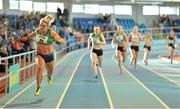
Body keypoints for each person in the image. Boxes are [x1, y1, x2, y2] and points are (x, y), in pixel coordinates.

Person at [21, 15, 66, 96]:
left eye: (43, 26)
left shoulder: (51, 33)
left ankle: (49, 77)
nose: (41, 27)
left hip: (49, 55)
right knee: (40, 67)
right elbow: (31, 36)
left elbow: (60, 39)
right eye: (40, 25)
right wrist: (26, 38)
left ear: (48, 27)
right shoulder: (37, 31)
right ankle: (38, 88)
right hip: (39, 54)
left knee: (50, 71)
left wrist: (60, 40)